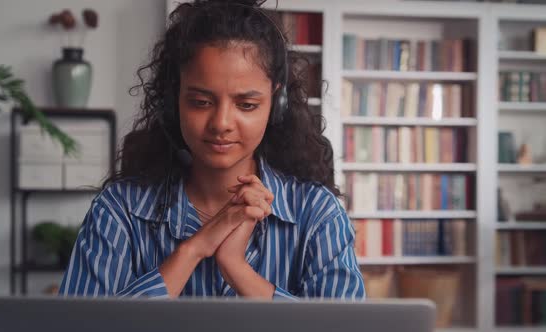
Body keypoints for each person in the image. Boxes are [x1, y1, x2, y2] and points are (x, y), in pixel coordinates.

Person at [59, 0, 365, 300]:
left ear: (276, 106)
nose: (221, 123)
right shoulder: (118, 212)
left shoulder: (318, 215)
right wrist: (193, 250)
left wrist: (236, 269)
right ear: (173, 101)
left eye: (246, 105)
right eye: (201, 102)